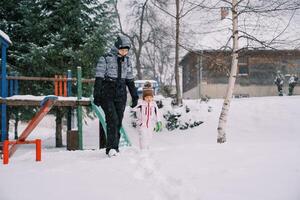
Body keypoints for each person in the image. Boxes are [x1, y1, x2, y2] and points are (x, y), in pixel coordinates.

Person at [93, 35, 139, 157]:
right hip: (107, 92)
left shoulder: (128, 60)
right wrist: (96, 94)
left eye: (126, 50)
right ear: (117, 47)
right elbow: (99, 77)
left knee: (118, 121)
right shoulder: (105, 58)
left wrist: (135, 96)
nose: (124, 52)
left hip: (121, 93)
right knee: (112, 120)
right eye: (122, 49)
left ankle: (115, 147)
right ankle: (111, 148)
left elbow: (130, 79)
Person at [134, 82, 162, 150]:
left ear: (152, 97)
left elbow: (157, 113)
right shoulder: (141, 104)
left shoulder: (154, 105)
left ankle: (147, 148)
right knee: (143, 137)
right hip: (142, 124)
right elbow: (134, 109)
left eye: (150, 97)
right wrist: (139, 122)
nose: (149, 99)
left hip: (150, 125)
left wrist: (158, 122)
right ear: (144, 98)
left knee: (149, 137)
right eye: (147, 97)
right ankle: (143, 150)